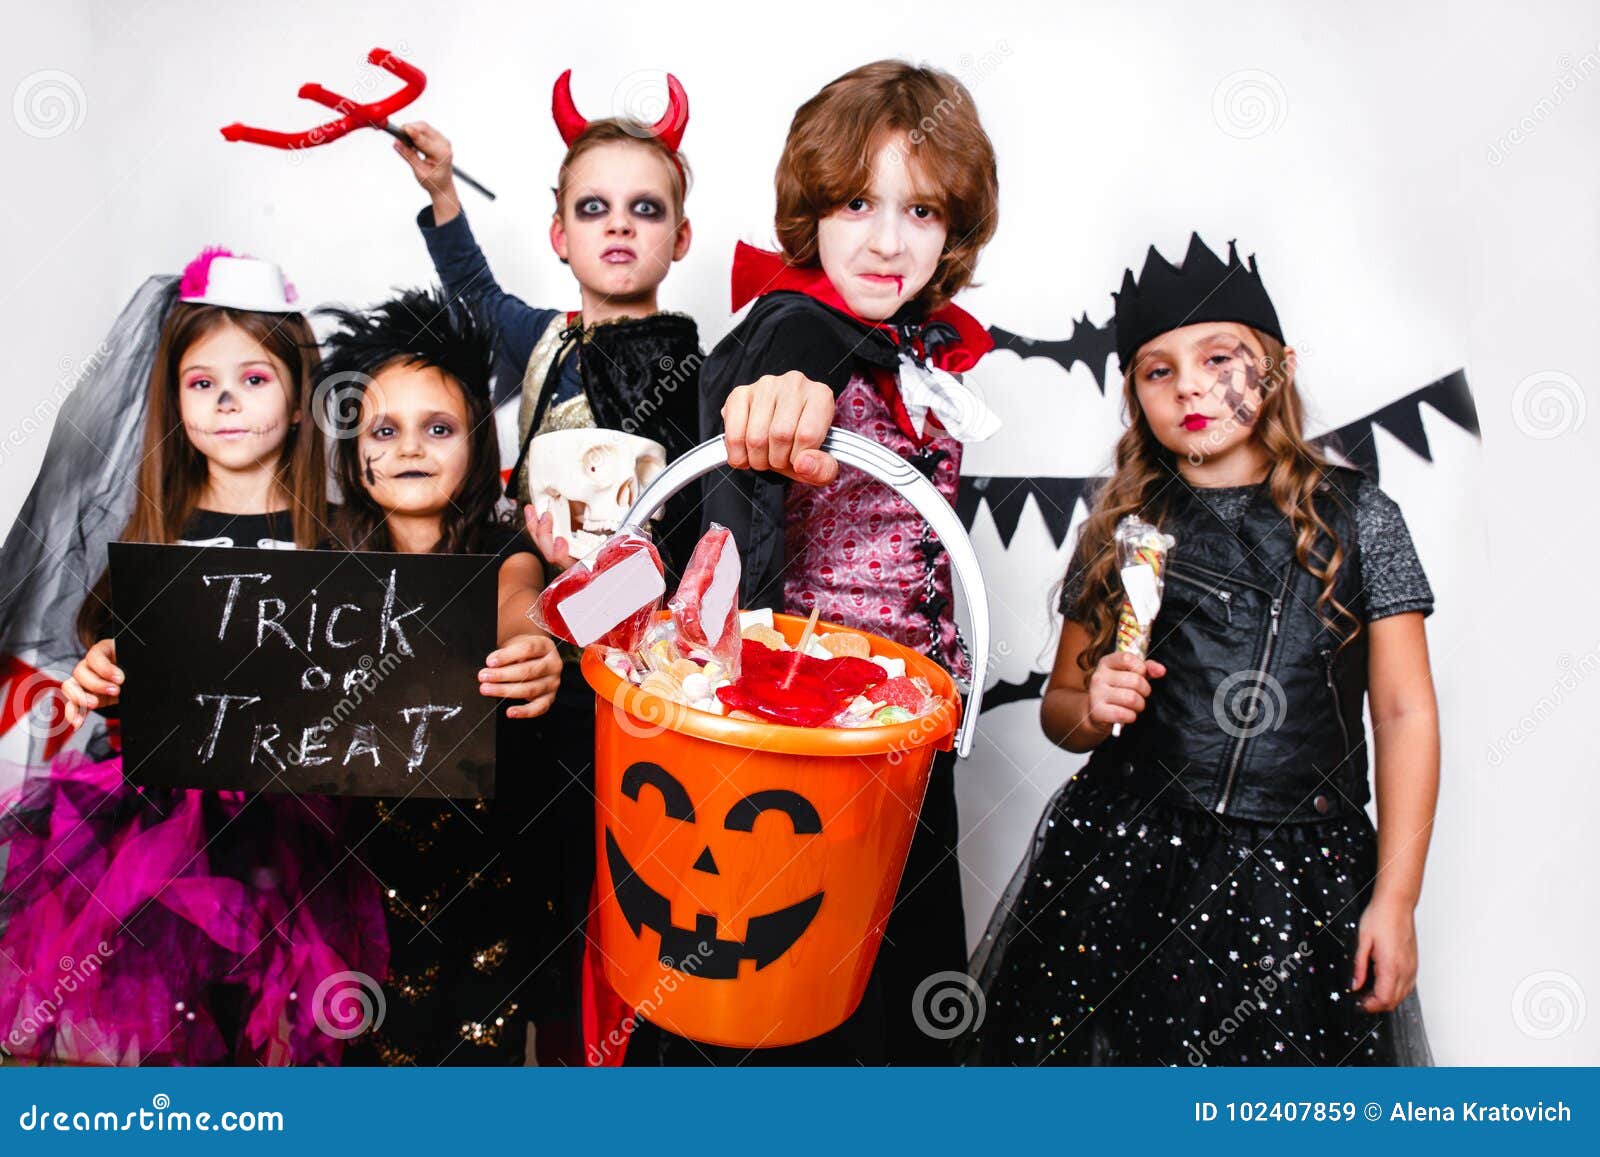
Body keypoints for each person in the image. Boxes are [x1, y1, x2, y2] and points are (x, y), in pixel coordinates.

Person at [966, 234, 1438, 1066]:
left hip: (1299, 879)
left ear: (1278, 368)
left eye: (1219, 357)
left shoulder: (1360, 518)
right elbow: (1064, 715)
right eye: (1157, 369)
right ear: (1134, 395)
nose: (1188, 383)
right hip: (1124, 858)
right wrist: (1093, 702)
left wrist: (1396, 897)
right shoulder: (1121, 529)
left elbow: (1402, 712)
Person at [665, 59, 1001, 1065]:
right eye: (857, 202)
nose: (890, 240)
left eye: (922, 209)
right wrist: (774, 406)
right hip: (805, 753)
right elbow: (769, 386)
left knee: (886, 1011)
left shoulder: (909, 350)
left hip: (904, 740)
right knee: (798, 1022)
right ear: (812, 211)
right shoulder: (795, 325)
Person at [0, 248, 385, 1065]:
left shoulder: (345, 541)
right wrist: (98, 675)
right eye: (202, 383)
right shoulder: (151, 536)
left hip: (291, 836)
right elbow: (107, 667)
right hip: (151, 840)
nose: (226, 403)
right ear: (173, 397)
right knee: (162, 1035)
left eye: (254, 379)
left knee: (271, 1035)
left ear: (298, 391)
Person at [318, 289, 563, 1065]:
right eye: (384, 429)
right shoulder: (324, 559)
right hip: (356, 873)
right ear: (354, 451)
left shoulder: (504, 546)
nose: (410, 448)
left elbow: (521, 604)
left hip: (482, 880)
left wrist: (540, 644)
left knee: (471, 1068)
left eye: (438, 428)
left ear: (478, 445)